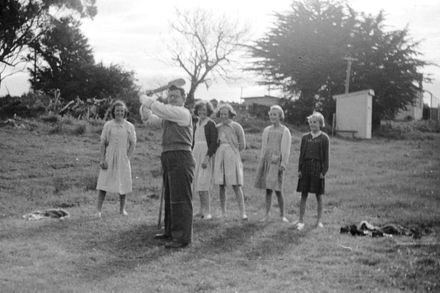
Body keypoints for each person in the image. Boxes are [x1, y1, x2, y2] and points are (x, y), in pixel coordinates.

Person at [139, 85, 195, 249]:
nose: (172, 99)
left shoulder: (182, 113)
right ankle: (170, 231)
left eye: (176, 96)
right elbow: (149, 120)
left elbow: (158, 108)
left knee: (180, 199)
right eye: (170, 96)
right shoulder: (168, 116)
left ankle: (182, 238)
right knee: (170, 197)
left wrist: (145, 98)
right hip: (168, 155)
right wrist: (144, 105)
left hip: (181, 156)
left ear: (183, 99)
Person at [96, 100, 136, 218]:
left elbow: (133, 143)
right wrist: (102, 159)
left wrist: (127, 157)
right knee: (103, 183)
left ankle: (122, 209)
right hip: (109, 156)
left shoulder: (129, 126)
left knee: (123, 183)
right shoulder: (108, 125)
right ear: (113, 111)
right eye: (117, 110)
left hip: (123, 158)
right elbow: (103, 143)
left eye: (122, 111)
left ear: (125, 112)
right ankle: (98, 210)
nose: (120, 113)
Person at [254, 105, 292, 223]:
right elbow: (264, 147)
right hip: (267, 161)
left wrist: (283, 164)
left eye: (275, 114)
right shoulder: (267, 130)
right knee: (268, 189)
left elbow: (286, 149)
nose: (272, 116)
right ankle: (267, 214)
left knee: (278, 189)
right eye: (271, 114)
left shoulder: (285, 131)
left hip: (277, 162)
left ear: (280, 116)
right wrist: (262, 161)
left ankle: (282, 215)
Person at [295, 111, 329, 230]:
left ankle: (319, 221)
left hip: (317, 168)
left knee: (318, 195)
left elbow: (326, 157)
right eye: (311, 122)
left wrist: (323, 172)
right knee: (303, 194)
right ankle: (300, 220)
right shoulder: (305, 138)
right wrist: (300, 169)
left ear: (320, 124)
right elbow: (301, 154)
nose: (313, 124)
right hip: (305, 168)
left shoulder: (324, 138)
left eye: (315, 122)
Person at [213, 103, 248, 220]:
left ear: (230, 114)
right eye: (221, 114)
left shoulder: (236, 126)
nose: (223, 116)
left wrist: (233, 153)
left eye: (225, 114)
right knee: (221, 185)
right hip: (220, 156)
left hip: (232, 156)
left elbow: (242, 144)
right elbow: (214, 143)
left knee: (236, 185)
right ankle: (223, 212)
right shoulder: (217, 127)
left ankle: (242, 212)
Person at [192, 100, 218, 220]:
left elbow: (213, 143)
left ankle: (207, 212)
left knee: (204, 183)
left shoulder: (210, 124)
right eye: (200, 109)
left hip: (206, 154)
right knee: (197, 183)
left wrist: (207, 158)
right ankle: (200, 210)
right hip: (195, 154)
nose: (201, 112)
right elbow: (193, 142)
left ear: (208, 111)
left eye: (204, 110)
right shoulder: (196, 123)